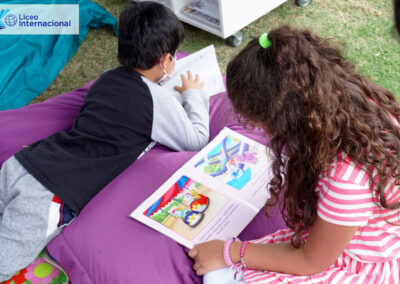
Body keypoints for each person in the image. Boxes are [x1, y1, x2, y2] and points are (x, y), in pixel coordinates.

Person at [0, 1, 209, 281]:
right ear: (165, 61)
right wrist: (193, 94)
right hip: (49, 194)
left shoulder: (105, 79)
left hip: (24, 163)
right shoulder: (156, 100)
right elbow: (196, 140)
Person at [189, 25, 400, 283]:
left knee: (218, 277)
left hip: (356, 263)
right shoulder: (352, 104)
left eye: (259, 126)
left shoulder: (345, 181)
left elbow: (311, 261)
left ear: (287, 121)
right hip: (346, 237)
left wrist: (229, 251)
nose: (260, 132)